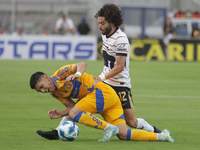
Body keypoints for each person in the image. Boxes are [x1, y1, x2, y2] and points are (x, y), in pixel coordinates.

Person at [30, 62, 174, 142]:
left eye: (42, 87)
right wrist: (61, 113)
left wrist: (78, 74)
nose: (43, 91)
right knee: (123, 134)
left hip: (101, 92)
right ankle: (161, 136)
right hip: (107, 101)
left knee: (75, 114)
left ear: (46, 77)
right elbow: (72, 107)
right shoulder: (55, 93)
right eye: (39, 91)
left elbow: (82, 64)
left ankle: (108, 128)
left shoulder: (61, 73)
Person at [94, 4, 161, 132]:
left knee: (131, 122)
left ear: (112, 22)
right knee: (79, 105)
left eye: (102, 23)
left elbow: (119, 67)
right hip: (106, 83)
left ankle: (153, 130)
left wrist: (101, 78)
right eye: (99, 23)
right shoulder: (104, 34)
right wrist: (102, 79)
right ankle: (59, 131)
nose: (99, 26)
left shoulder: (121, 39)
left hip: (120, 85)